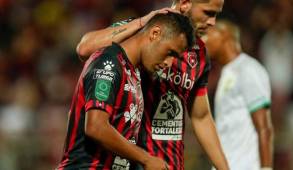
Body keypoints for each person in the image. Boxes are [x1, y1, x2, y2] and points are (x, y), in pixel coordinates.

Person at [76, 0, 229, 170]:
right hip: (132, 160)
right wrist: (142, 22)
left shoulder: (199, 53)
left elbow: (201, 116)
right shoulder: (142, 31)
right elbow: (85, 49)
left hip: (169, 163)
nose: (212, 22)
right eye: (209, 13)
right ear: (185, 3)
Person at [57, 12, 195, 170]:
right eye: (170, 53)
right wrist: (146, 159)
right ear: (155, 33)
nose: (169, 63)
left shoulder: (134, 74)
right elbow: (96, 127)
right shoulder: (108, 62)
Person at [203, 20, 274, 170]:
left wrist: (266, 168)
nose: (203, 40)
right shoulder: (228, 72)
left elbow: (264, 127)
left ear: (224, 35)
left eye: (207, 34)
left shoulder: (248, 69)